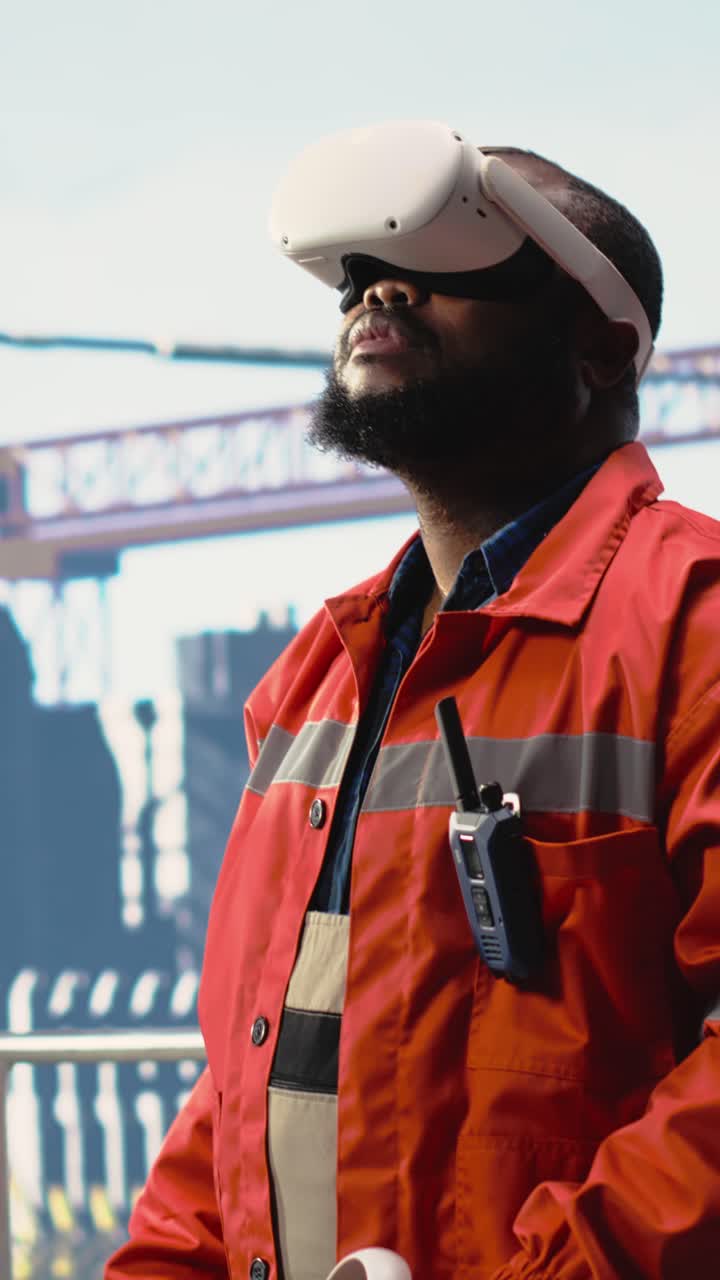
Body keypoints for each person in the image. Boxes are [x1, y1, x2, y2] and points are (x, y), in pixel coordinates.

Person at [106, 136, 720, 1280]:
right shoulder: (311, 680)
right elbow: (244, 1083)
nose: (379, 286)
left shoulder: (697, 626)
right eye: (355, 271)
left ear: (600, 343)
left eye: (457, 251)